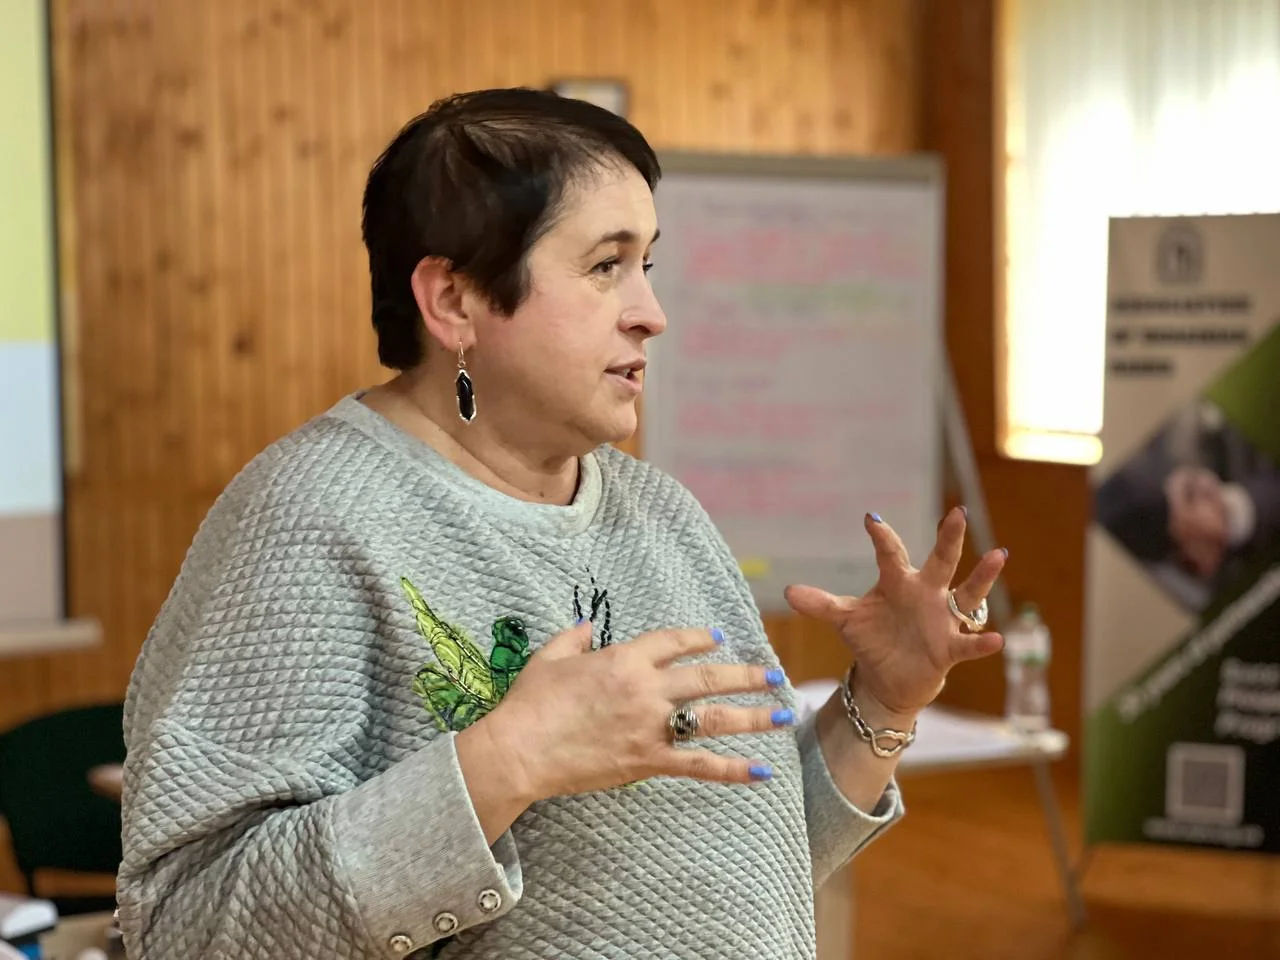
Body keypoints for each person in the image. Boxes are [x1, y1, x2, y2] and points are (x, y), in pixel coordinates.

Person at [116, 88, 1008, 959]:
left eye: (648, 265)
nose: (651, 314)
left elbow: (747, 873)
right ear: (454, 302)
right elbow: (190, 927)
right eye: (605, 266)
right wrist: (507, 760)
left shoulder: (662, 513)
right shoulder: (311, 517)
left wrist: (881, 701)